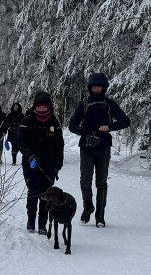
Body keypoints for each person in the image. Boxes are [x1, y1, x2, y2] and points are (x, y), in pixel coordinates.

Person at [67, 73, 130, 227]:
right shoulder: (84, 104)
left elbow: (126, 121)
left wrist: (109, 127)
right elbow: (72, 124)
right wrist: (83, 131)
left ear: (104, 87)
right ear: (90, 87)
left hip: (103, 148)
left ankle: (100, 215)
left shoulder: (109, 104)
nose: (96, 88)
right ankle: (88, 207)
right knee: (85, 182)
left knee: (101, 183)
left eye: (99, 86)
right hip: (86, 148)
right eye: (93, 86)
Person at [19, 91, 64, 234]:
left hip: (49, 165)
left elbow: (59, 145)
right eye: (39, 107)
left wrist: (58, 165)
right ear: (35, 107)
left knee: (46, 194)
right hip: (31, 163)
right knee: (34, 191)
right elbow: (20, 141)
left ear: (49, 106)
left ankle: (42, 224)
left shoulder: (54, 123)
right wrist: (29, 155)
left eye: (44, 107)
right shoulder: (27, 120)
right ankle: (31, 220)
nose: (42, 109)